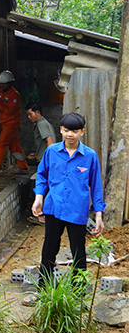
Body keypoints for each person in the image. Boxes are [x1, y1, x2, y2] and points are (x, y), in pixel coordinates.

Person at [23, 112, 105, 306]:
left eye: (75, 131)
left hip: (77, 211)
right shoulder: (52, 152)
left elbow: (96, 186)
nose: (70, 135)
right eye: (66, 130)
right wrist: (39, 198)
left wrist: (99, 214)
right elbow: (41, 176)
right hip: (54, 207)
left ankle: (77, 296)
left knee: (79, 253)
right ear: (60, 130)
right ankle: (42, 291)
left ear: (82, 132)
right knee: (49, 249)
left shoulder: (90, 156)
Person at [0, 70, 28, 173]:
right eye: (1, 83)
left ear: (10, 83)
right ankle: (24, 167)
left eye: (5, 83)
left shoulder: (15, 95)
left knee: (1, 143)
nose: (2, 85)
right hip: (4, 123)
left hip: (12, 123)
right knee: (14, 145)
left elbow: (9, 111)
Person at [26, 102, 56, 225]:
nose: (29, 117)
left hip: (46, 162)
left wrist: (46, 160)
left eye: (30, 114)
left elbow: (50, 142)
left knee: (41, 186)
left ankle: (41, 216)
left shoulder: (41, 124)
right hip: (44, 159)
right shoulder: (43, 123)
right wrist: (37, 154)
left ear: (38, 113)